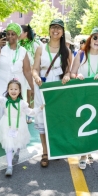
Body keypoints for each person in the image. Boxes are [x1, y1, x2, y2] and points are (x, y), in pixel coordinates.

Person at [0, 78, 43, 176]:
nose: (13, 91)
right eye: (11, 89)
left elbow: (31, 112)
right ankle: (9, 166)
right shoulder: (4, 101)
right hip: (7, 125)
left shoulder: (22, 103)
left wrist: (39, 108)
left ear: (19, 91)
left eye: (16, 89)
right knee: (9, 145)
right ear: (8, 90)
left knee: (18, 142)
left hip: (19, 126)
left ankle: (17, 152)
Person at [71, 27, 98, 169]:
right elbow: (72, 73)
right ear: (90, 39)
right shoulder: (81, 54)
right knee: (84, 124)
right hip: (82, 96)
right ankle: (83, 154)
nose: (97, 41)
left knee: (94, 124)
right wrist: (77, 76)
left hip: (97, 96)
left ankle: (88, 150)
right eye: (95, 37)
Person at [32, 18, 72, 167]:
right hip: (43, 84)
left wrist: (67, 75)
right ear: (49, 30)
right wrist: (36, 76)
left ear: (62, 32)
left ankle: (56, 148)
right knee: (42, 117)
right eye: (53, 27)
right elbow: (34, 68)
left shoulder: (66, 50)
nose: (56, 30)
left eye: (59, 28)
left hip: (58, 86)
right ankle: (45, 151)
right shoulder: (41, 48)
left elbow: (68, 70)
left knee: (57, 117)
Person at [0, 23, 34, 131]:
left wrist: (32, 88)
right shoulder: (1, 49)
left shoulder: (23, 51)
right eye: (8, 34)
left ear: (18, 36)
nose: (10, 36)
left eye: (13, 34)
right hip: (0, 82)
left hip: (16, 85)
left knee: (14, 110)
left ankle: (11, 134)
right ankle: (4, 130)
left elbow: (27, 71)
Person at [19, 24, 41, 124]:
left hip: (31, 72)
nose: (18, 34)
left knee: (30, 93)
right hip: (20, 72)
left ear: (26, 33)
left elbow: (39, 59)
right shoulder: (18, 44)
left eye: (20, 32)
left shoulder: (36, 44)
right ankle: (22, 113)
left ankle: (29, 114)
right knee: (22, 93)